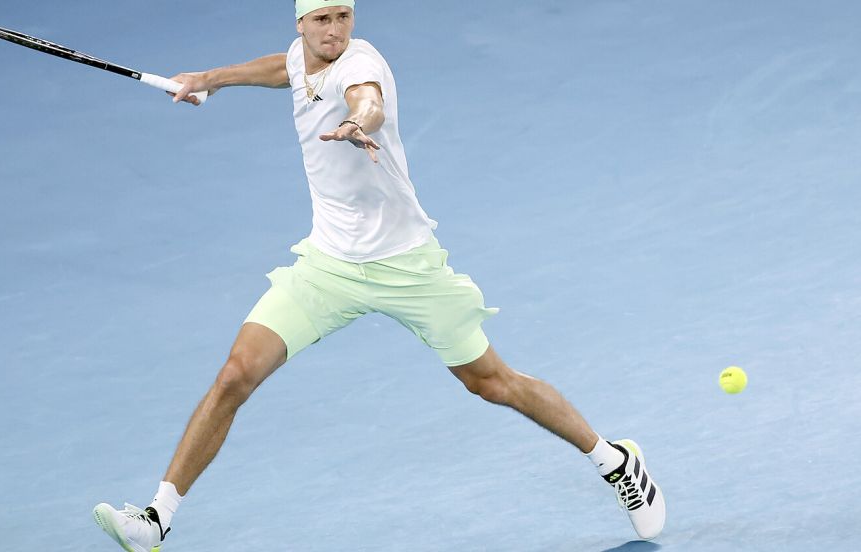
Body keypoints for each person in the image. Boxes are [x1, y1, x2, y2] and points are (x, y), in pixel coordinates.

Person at [92, 2, 665, 550]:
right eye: (322, 19)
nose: (334, 30)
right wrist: (211, 77)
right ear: (301, 24)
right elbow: (282, 68)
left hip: (406, 266)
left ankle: (614, 460)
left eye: (344, 17)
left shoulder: (361, 65)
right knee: (235, 375)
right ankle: (157, 518)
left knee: (491, 382)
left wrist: (357, 122)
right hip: (328, 267)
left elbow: (366, 100)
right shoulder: (299, 57)